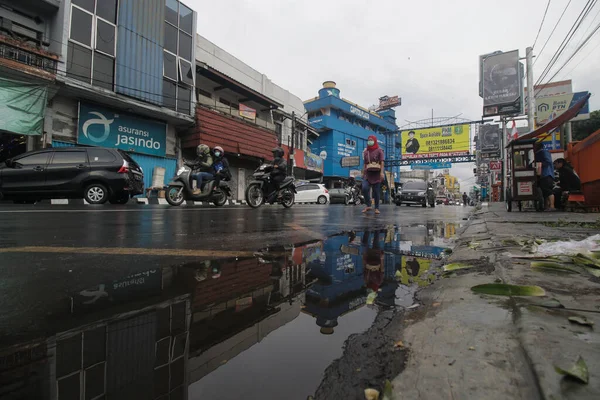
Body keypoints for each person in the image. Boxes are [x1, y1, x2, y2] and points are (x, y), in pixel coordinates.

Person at [362, 135, 385, 214]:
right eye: (369, 140)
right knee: (364, 188)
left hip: (377, 174)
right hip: (368, 173)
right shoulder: (366, 152)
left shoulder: (379, 150)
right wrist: (363, 173)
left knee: (376, 191)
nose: (370, 141)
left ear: (375, 141)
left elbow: (382, 162)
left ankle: (377, 208)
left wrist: (382, 172)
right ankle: (368, 205)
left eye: (371, 140)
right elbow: (365, 163)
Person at [534, 142, 555, 211]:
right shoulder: (538, 153)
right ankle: (546, 206)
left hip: (547, 174)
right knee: (544, 191)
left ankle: (552, 206)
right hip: (543, 175)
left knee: (548, 190)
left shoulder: (544, 152)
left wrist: (540, 165)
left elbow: (548, 162)